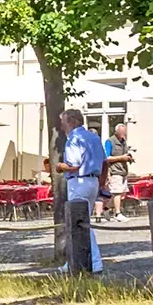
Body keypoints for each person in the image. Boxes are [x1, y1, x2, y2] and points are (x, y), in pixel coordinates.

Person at [58, 110, 105, 274]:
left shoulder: (73, 139)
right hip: (93, 181)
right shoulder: (94, 137)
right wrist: (102, 184)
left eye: (63, 122)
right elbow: (104, 162)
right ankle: (74, 261)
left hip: (78, 181)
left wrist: (59, 166)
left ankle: (95, 262)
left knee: (79, 222)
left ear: (71, 122)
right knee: (81, 222)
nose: (61, 126)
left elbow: (74, 165)